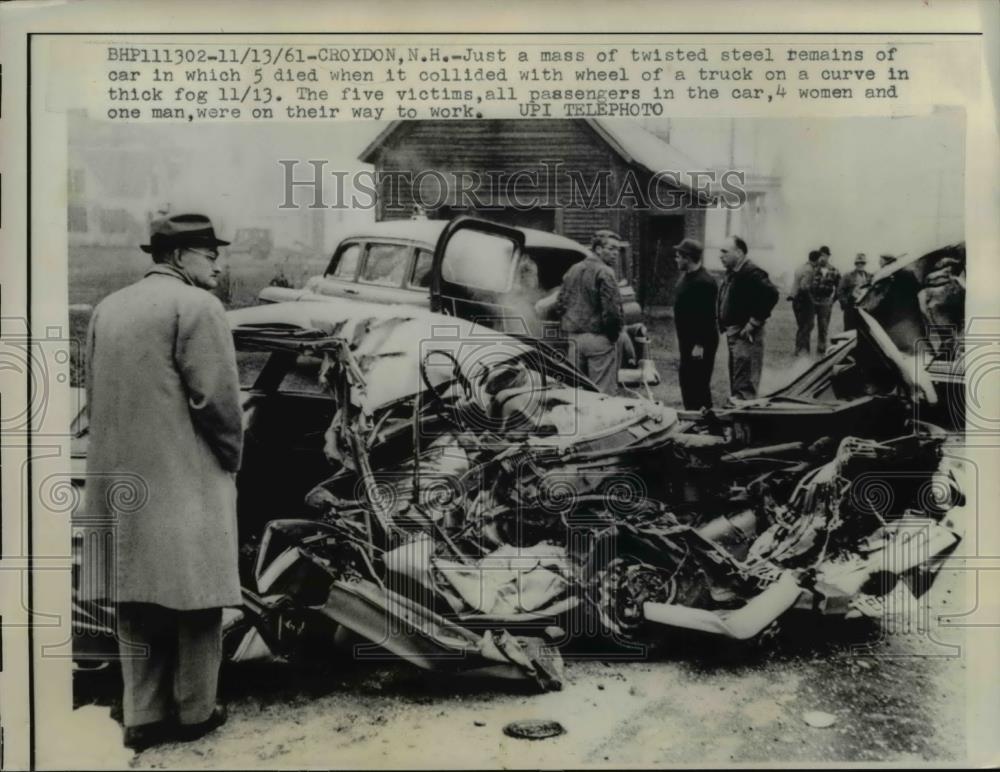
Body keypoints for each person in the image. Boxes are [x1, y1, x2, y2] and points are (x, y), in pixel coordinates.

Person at [82, 214, 243, 751]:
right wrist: (232, 458)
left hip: (120, 479)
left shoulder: (109, 307)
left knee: (136, 595)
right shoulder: (198, 307)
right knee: (197, 596)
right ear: (179, 258)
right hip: (183, 475)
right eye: (208, 253)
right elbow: (216, 402)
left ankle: (143, 715)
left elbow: (96, 393)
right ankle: (196, 711)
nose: (218, 263)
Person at [554, 229, 625, 394]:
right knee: (602, 394)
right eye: (611, 248)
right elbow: (612, 311)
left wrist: (569, 325)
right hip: (599, 339)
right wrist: (612, 336)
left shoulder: (573, 270)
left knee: (577, 393)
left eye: (618, 250)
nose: (616, 253)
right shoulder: (605, 272)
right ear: (598, 249)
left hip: (574, 340)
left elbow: (560, 303)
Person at [716, 235, 779, 401]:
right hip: (735, 334)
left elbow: (771, 294)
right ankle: (739, 423)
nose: (720, 256)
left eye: (724, 252)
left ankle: (744, 425)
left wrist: (754, 322)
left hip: (746, 335)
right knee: (738, 380)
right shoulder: (734, 272)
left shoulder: (751, 272)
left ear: (738, 252)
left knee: (745, 385)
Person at [672, 238, 718, 410]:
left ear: (688, 258)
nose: (676, 260)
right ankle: (693, 422)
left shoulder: (704, 282)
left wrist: (699, 345)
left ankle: (705, 425)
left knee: (698, 386)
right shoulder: (687, 278)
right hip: (687, 342)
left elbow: (707, 317)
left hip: (700, 343)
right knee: (687, 384)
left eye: (678, 256)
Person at [809, 246, 840, 355]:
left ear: (828, 256)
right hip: (812, 301)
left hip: (825, 302)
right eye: (820, 255)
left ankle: (821, 351)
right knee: (808, 326)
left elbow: (839, 288)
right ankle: (803, 352)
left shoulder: (834, 270)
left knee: (823, 328)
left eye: (825, 256)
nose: (822, 258)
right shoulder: (812, 269)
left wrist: (832, 300)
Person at [790, 250, 819, 356]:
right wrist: (812, 300)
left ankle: (800, 350)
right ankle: (802, 350)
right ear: (818, 259)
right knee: (807, 326)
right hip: (804, 301)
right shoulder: (810, 270)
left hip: (796, 300)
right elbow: (804, 287)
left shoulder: (801, 267)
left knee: (802, 326)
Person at [837, 253, 873, 331]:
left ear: (865, 264)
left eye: (862, 263)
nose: (860, 265)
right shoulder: (848, 276)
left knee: (864, 331)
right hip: (851, 308)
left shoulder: (869, 276)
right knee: (849, 331)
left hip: (864, 309)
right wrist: (845, 304)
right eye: (858, 263)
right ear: (855, 264)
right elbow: (840, 291)